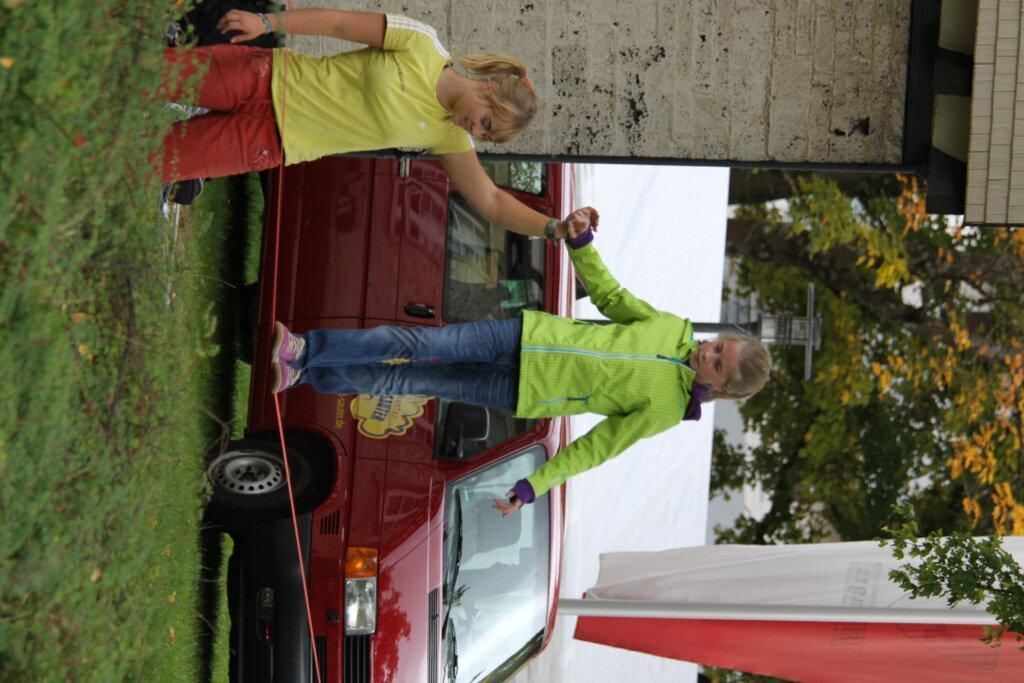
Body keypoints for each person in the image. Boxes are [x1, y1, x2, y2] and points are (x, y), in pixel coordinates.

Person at [268, 207, 772, 515]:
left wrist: (535, 485)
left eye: (718, 365)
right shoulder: (673, 327)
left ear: (722, 389)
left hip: (522, 392)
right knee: (420, 346)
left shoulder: (666, 410)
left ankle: (304, 374)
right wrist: (580, 243)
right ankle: (305, 350)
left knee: (410, 380)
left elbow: (596, 449)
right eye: (718, 346)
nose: (708, 353)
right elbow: (612, 297)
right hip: (525, 335)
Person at [159, 6, 583, 239]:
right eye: (487, 122)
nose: (478, 131)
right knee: (148, 76)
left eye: (487, 135)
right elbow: (340, 23)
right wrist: (268, 22)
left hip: (270, 140)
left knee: (154, 161)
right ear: (489, 88)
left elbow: (490, 201)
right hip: (263, 77)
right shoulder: (422, 44)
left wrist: (553, 227)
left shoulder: (447, 136)